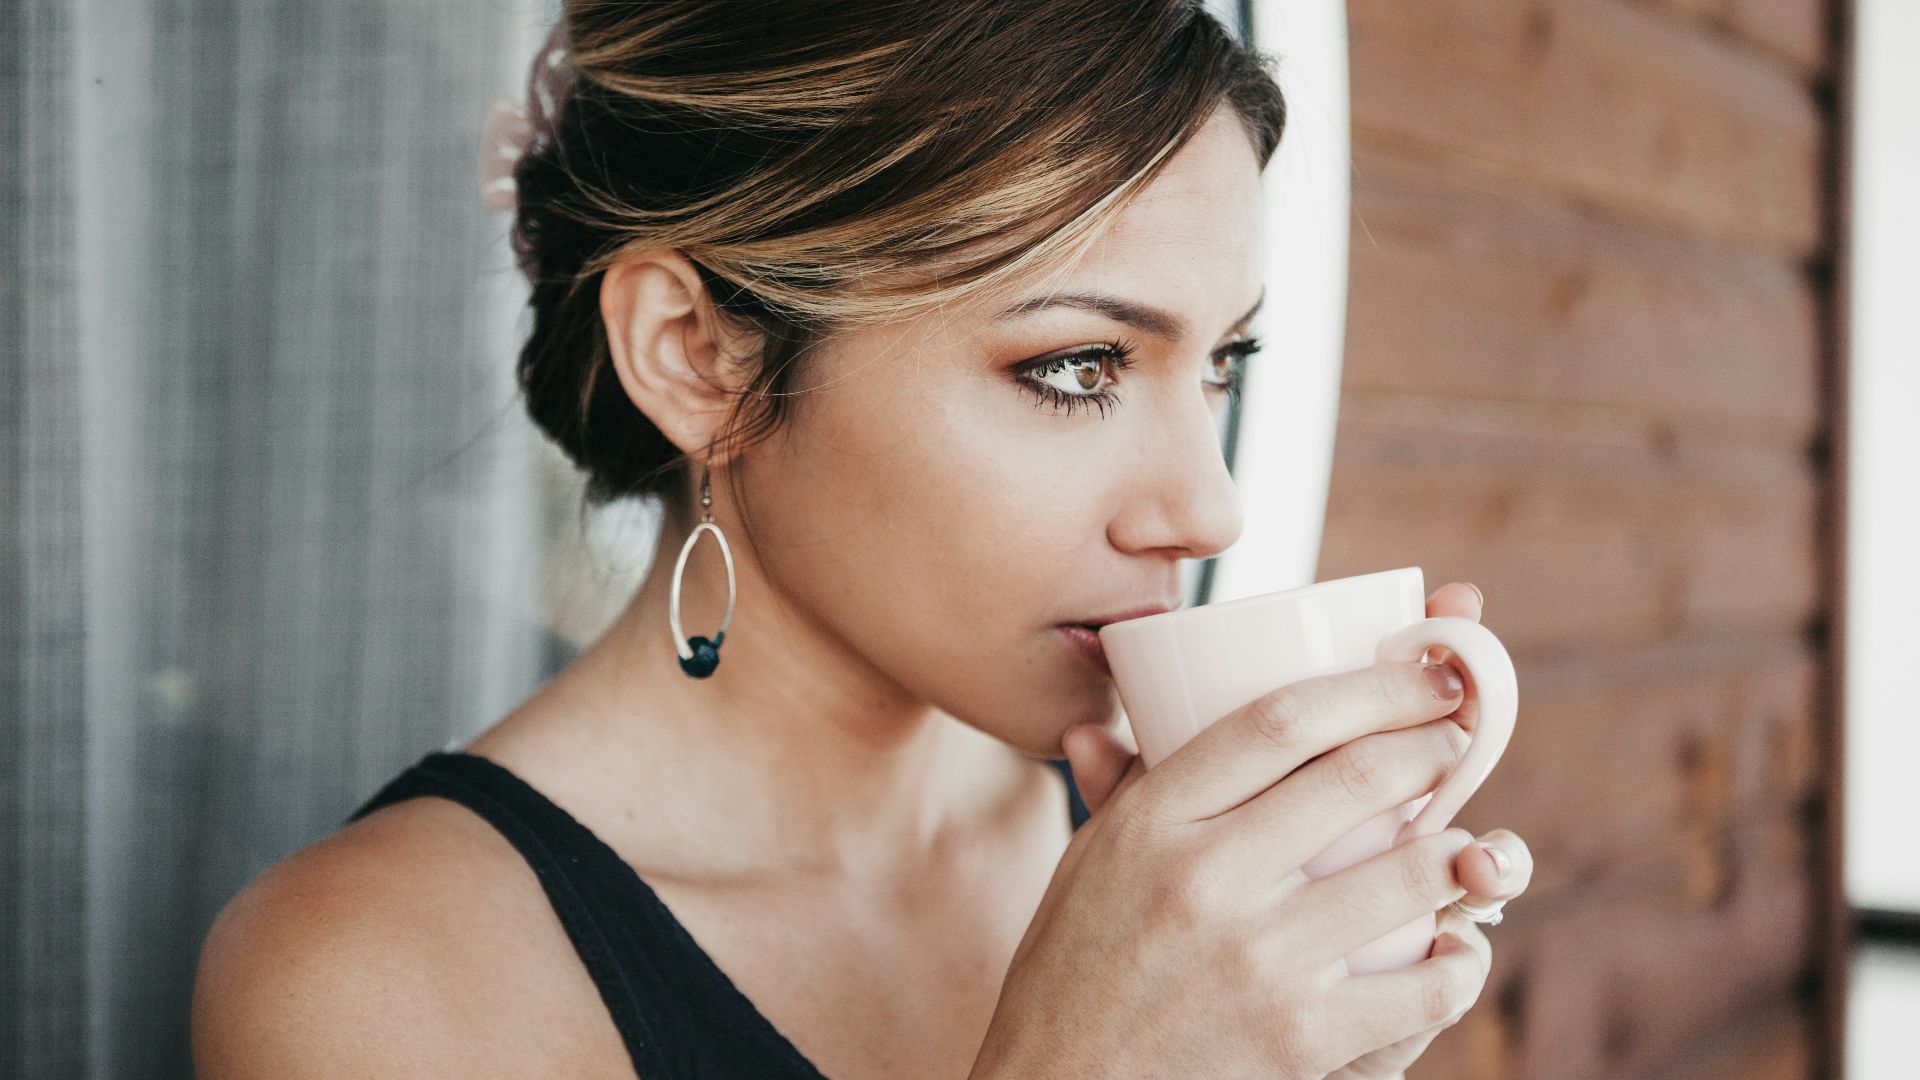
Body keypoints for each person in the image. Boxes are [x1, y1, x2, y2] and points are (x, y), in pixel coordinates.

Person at [191, 2, 1533, 1077]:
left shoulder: (1173, 879)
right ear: (695, 356)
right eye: (1077, 365)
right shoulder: (377, 977)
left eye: (1221, 363)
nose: (1208, 508)